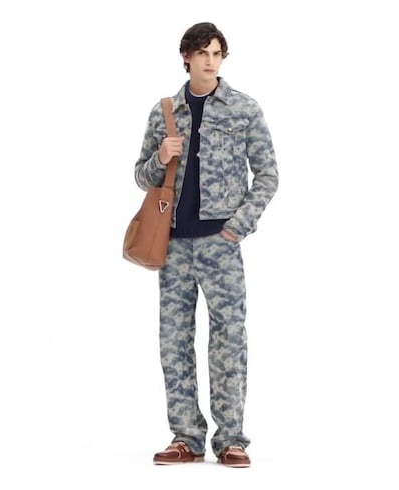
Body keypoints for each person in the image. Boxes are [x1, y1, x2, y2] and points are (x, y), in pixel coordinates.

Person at [133, 22, 279, 468]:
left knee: (229, 337)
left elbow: (268, 176)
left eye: (217, 53)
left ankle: (231, 439)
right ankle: (186, 438)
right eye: (202, 53)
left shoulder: (243, 109)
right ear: (187, 57)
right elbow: (141, 175)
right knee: (174, 340)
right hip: (174, 245)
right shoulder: (164, 112)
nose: (211, 61)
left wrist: (237, 227)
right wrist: (161, 157)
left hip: (220, 244)